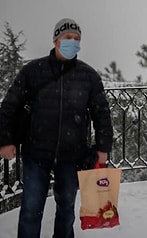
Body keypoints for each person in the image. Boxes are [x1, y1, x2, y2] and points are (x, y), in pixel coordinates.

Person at [0, 18, 113, 238]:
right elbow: (9, 106)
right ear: (56, 40)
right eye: (68, 37)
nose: (73, 42)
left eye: (77, 39)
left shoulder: (88, 76)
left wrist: (103, 147)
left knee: (66, 209)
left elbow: (102, 113)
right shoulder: (33, 71)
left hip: (71, 156)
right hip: (36, 153)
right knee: (31, 210)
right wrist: (5, 140)